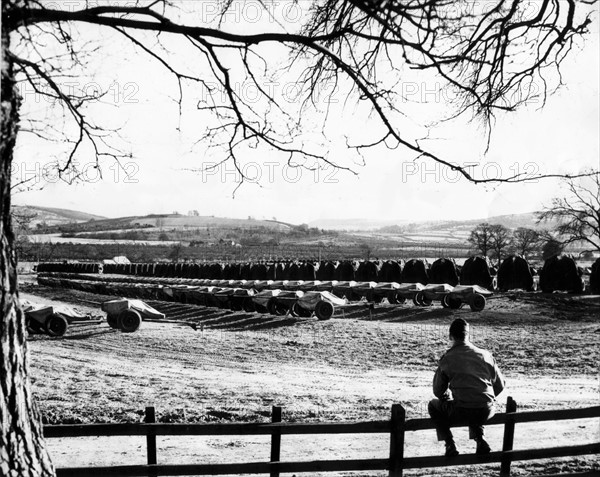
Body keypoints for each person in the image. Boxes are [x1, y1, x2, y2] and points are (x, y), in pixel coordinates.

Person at [428, 318, 505, 457]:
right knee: (475, 404)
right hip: (487, 410)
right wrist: (484, 396)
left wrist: (445, 396)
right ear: (468, 335)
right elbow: (500, 385)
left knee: (433, 406)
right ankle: (480, 439)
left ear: (450, 336)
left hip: (462, 411)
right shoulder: (485, 354)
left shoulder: (448, 358)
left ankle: (449, 443)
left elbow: (437, 390)